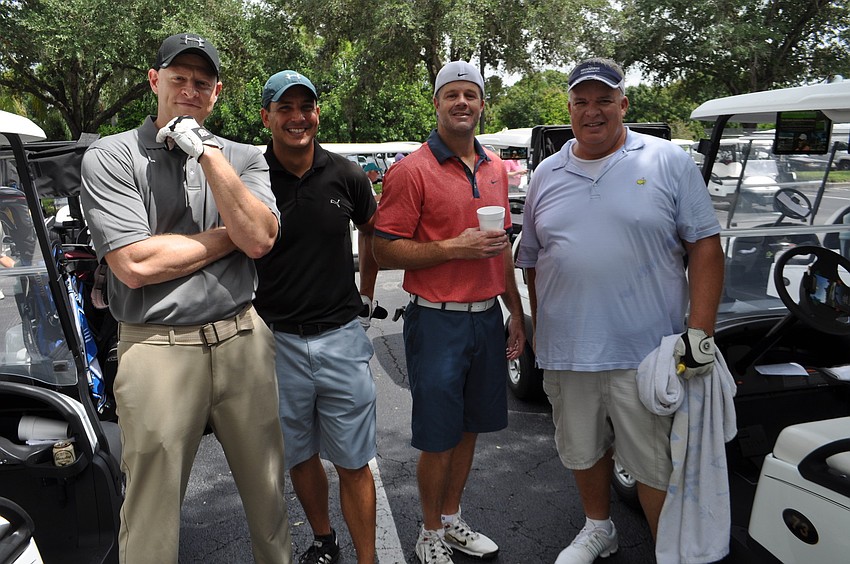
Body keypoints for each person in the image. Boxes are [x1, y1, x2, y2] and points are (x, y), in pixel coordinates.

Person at [79, 33, 292, 564]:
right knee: (150, 513)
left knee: (269, 500)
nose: (190, 90)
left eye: (203, 82)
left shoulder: (242, 157)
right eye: (179, 79)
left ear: (216, 92)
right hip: (157, 345)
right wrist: (231, 236)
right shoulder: (112, 156)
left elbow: (262, 240)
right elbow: (135, 265)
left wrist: (209, 155)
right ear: (155, 81)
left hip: (242, 337)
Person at [516, 57, 724, 564]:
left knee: (654, 465)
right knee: (582, 452)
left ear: (623, 104)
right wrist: (539, 330)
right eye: (581, 102)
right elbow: (533, 262)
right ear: (568, 109)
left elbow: (705, 246)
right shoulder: (546, 173)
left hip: (648, 352)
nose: (593, 111)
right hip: (569, 350)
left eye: (604, 100)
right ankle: (598, 528)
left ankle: (667, 549)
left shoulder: (666, 161)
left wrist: (700, 333)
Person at [373, 60, 525, 564]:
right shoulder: (411, 170)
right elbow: (384, 250)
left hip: (487, 318)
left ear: (482, 103)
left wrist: (516, 313)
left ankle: (453, 517)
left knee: (470, 428)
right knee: (438, 438)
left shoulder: (496, 168)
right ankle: (429, 531)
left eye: (471, 94)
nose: (462, 102)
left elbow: (500, 246)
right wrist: (452, 248)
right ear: (436, 103)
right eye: (451, 94)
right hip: (436, 320)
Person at [254, 70, 380, 564]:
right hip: (275, 342)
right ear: (266, 117)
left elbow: (372, 229)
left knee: (353, 461)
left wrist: (366, 291)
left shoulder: (346, 174)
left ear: (317, 114)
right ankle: (324, 541)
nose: (297, 117)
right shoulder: (252, 177)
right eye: (284, 108)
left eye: (305, 107)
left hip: (341, 339)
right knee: (299, 455)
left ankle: (367, 559)